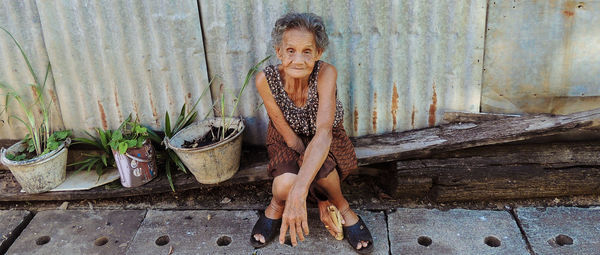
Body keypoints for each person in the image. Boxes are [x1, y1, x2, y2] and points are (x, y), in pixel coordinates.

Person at [250, 12, 373, 254]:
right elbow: (287, 134)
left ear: (318, 54)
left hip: (325, 136)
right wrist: (305, 187)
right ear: (279, 52)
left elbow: (324, 133)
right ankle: (278, 204)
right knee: (286, 183)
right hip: (286, 138)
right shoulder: (265, 80)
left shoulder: (326, 73)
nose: (298, 59)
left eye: (307, 51)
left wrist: (300, 189)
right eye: (290, 50)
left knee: (323, 172)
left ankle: (342, 206)